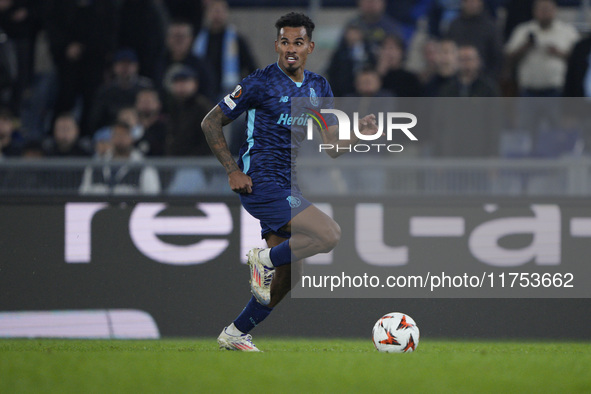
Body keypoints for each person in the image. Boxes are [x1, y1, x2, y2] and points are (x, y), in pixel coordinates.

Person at [201, 12, 378, 352]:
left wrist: (360, 134)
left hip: (288, 184)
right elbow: (210, 122)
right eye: (285, 42)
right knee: (329, 234)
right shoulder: (259, 82)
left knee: (289, 278)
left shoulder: (318, 87)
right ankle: (263, 259)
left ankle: (235, 333)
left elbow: (332, 147)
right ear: (277, 45)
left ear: (310, 47)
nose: (291, 49)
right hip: (261, 182)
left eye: (298, 42)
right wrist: (232, 169)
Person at [505, 0, 579, 98]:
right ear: (534, 11)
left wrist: (559, 53)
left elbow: (579, 60)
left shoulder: (568, 31)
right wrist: (525, 47)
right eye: (541, 9)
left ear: (555, 10)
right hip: (528, 91)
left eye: (547, 9)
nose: (544, 13)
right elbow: (507, 57)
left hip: (556, 91)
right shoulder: (523, 30)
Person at [192, 0, 257, 100]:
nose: (217, 16)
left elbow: (250, 66)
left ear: (226, 14)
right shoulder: (199, 39)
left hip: (228, 91)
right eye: (214, 11)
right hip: (204, 91)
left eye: (220, 12)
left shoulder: (236, 39)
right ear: (207, 14)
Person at [79, 120, 160, 195]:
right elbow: (84, 193)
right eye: (117, 135)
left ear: (131, 138)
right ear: (111, 138)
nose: (120, 139)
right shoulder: (96, 164)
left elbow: (152, 197)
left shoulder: (144, 166)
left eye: (124, 135)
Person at [87, 49, 153, 134]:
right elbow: (95, 118)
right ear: (114, 67)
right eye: (122, 64)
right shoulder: (106, 90)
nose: (125, 68)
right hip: (111, 131)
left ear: (136, 66)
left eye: (129, 64)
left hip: (142, 129)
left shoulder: (146, 87)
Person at [446, 0, 503, 79]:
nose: (471, 3)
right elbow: (448, 51)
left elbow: (497, 56)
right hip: (455, 78)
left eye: (474, 1)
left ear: (481, 2)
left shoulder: (490, 27)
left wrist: (489, 78)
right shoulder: (454, 25)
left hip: (484, 78)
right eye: (467, 1)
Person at [164, 66, 211, 157]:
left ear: (195, 84)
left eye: (184, 81)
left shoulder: (202, 106)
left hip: (198, 162)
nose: (181, 86)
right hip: (174, 161)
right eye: (177, 82)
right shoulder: (171, 106)